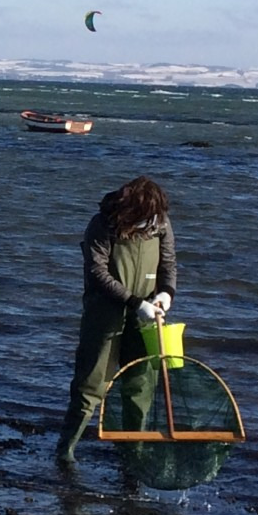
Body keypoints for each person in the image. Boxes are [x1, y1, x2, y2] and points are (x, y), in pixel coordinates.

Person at [55, 175, 178, 463]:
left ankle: (131, 453)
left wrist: (166, 294)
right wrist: (135, 302)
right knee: (90, 385)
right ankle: (66, 450)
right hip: (104, 315)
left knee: (140, 386)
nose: (149, 223)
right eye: (143, 217)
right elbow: (98, 273)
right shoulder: (102, 224)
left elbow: (168, 262)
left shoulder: (160, 222)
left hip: (146, 317)